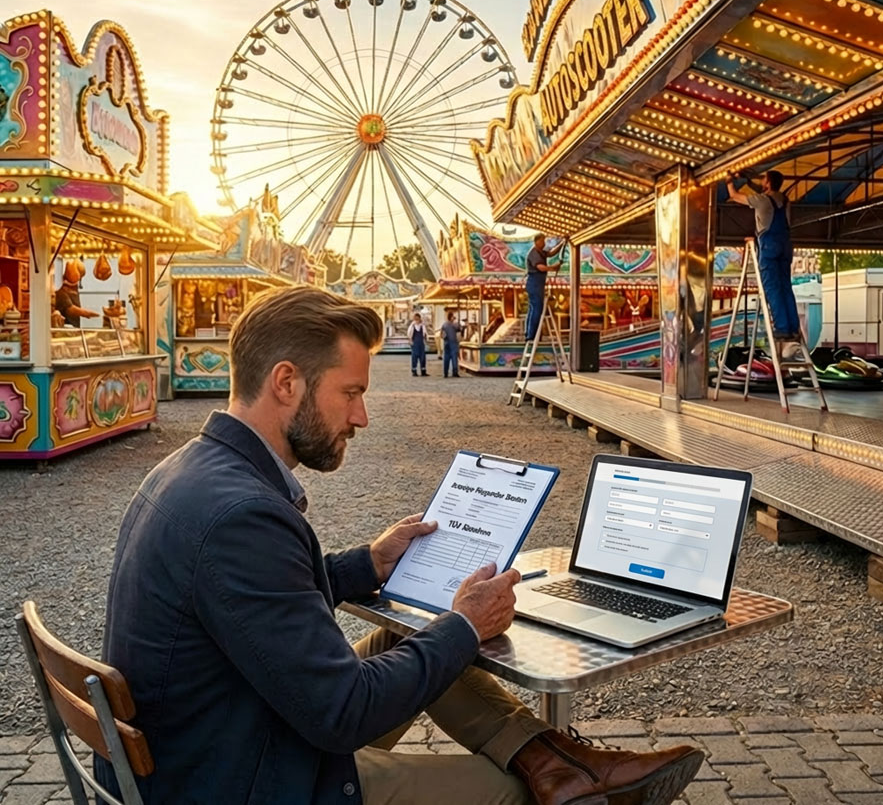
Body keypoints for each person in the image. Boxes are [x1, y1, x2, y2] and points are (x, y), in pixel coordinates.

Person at [96, 286, 702, 805]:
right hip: (247, 779)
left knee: (405, 637)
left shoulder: (192, 470)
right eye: (351, 393)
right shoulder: (243, 514)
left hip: (215, 737)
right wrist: (464, 626)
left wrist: (367, 564)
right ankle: (565, 781)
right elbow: (345, 712)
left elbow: (248, 604)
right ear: (286, 382)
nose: (361, 417)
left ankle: (558, 765)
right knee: (511, 790)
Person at [726, 170, 802, 360]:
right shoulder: (785, 200)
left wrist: (730, 182)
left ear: (767, 183)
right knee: (786, 287)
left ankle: (782, 328)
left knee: (772, 288)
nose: (761, 182)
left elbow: (734, 196)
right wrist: (748, 180)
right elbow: (766, 193)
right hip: (785, 245)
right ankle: (793, 327)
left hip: (768, 246)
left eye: (763, 179)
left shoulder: (761, 200)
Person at [525, 235, 567, 342]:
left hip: (538, 283)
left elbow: (551, 253)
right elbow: (540, 267)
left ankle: (530, 333)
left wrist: (562, 243)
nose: (544, 243)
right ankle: (532, 335)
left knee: (533, 308)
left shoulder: (540, 252)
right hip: (534, 283)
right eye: (542, 241)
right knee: (536, 308)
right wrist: (552, 268)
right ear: (536, 241)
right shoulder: (534, 253)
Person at [54, 260, 99, 328]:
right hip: (65, 327)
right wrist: (87, 313)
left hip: (75, 326)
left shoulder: (74, 290)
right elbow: (70, 310)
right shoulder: (61, 292)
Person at [440, 309, 462, 378]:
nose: (453, 318)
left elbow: (441, 334)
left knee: (446, 358)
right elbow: (459, 329)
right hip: (453, 343)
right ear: (451, 317)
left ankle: (445, 372)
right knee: (454, 357)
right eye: (453, 317)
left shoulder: (444, 325)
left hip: (446, 343)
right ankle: (455, 372)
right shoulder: (453, 325)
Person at [407, 312, 429, 377]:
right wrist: (410, 341)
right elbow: (409, 334)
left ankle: (423, 371)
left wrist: (426, 340)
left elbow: (425, 334)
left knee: (422, 357)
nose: (417, 320)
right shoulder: (412, 326)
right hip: (415, 343)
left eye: (418, 318)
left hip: (421, 344)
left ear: (420, 318)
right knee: (414, 357)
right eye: (415, 319)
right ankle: (414, 371)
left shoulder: (422, 325)